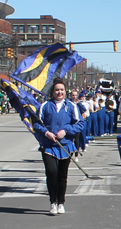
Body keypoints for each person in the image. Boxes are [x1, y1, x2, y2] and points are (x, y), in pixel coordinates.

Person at [33, 78, 84, 215]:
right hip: (48, 146)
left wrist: (66, 131)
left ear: (65, 91)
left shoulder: (72, 106)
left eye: (61, 90)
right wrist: (46, 132)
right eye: (57, 90)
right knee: (51, 173)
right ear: (52, 92)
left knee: (62, 175)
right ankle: (53, 202)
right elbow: (36, 124)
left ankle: (61, 202)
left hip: (65, 146)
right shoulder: (45, 106)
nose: (59, 92)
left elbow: (80, 123)